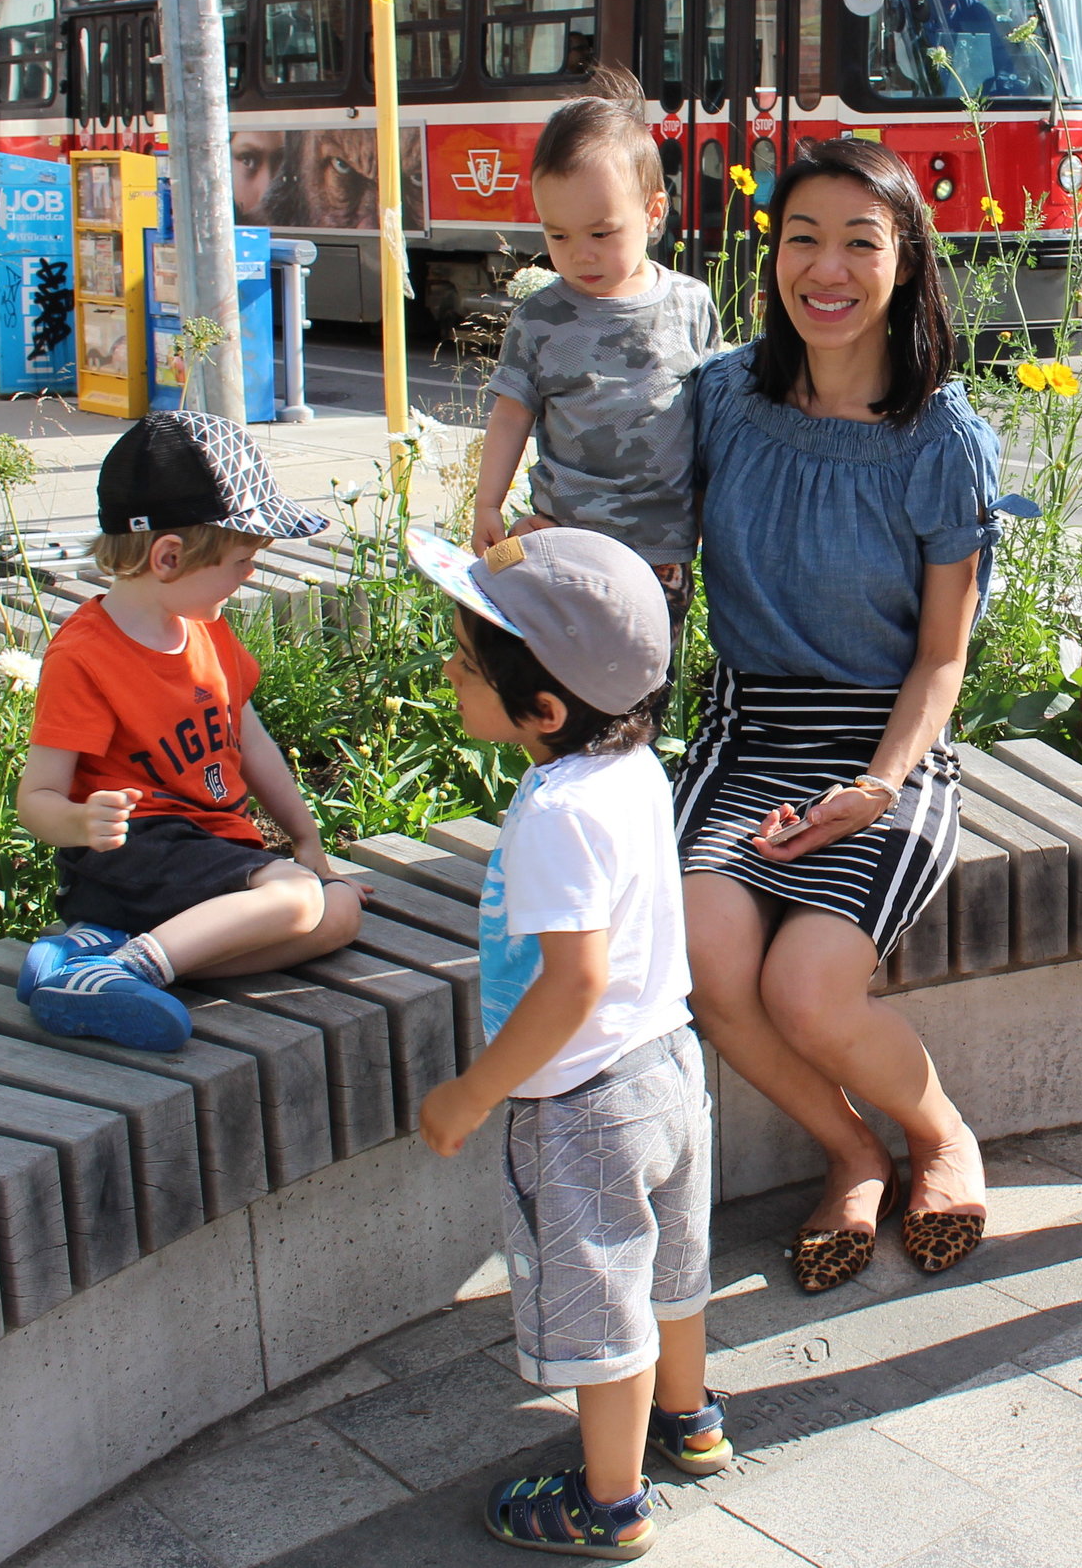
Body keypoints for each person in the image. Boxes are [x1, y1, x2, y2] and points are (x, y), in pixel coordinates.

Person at [678, 135, 1003, 1291]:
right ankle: (851, 1151)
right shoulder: (719, 399)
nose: (828, 268)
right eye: (802, 238)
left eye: (860, 242)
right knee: (709, 959)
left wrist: (875, 782)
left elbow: (941, 660)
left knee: (806, 989)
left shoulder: (942, 443)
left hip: (881, 747)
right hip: (750, 734)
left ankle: (942, 1136)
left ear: (906, 263)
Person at [411, 526, 725, 1560]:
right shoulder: (632, 766)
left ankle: (610, 1499)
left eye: (465, 661)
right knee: (671, 1267)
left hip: (582, 1099)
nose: (450, 672)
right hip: (669, 1066)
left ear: (542, 711)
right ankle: (690, 1419)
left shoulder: (553, 809)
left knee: (600, 1304)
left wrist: (471, 1093)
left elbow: (572, 981)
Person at [13, 412, 366, 1050]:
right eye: (240, 560)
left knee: (335, 910)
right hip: (135, 853)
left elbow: (251, 743)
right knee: (295, 899)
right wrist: (78, 822)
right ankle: (119, 970)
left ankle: (104, 960)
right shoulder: (85, 655)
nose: (250, 575)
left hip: (199, 859)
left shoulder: (209, 630)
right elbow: (35, 796)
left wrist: (308, 841)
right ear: (169, 558)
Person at [474, 70, 723, 640]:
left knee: (644, 677)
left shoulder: (689, 303)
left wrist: (711, 514)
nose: (579, 255)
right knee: (565, 673)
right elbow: (511, 413)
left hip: (659, 547)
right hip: (563, 540)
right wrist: (489, 504)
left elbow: (710, 419)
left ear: (654, 213)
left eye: (602, 233)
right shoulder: (540, 319)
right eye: (557, 236)